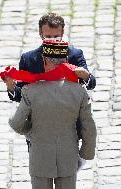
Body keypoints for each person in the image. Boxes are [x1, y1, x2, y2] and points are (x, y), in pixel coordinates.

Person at [9, 40, 97, 189]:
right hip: (68, 157)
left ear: (45, 61)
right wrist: (85, 153)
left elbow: (17, 123)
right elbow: (89, 128)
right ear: (66, 61)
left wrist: (32, 131)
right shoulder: (79, 91)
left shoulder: (30, 91)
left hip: (39, 157)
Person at [5, 12, 97, 144]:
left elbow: (91, 83)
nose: (52, 41)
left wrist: (86, 76)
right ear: (40, 34)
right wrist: (11, 87)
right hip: (39, 128)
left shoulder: (75, 55)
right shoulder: (29, 59)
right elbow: (21, 96)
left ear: (62, 32)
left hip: (69, 127)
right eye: (48, 37)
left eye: (56, 37)